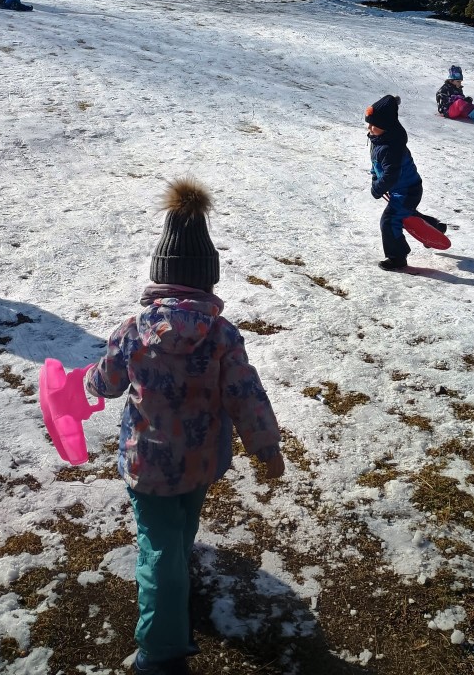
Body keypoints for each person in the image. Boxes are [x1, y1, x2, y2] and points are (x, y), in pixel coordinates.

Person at [85, 178, 284, 675]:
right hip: (200, 460)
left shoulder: (133, 331)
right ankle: (178, 568)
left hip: (148, 463)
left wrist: (88, 380)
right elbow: (245, 393)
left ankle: (160, 651)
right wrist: (266, 446)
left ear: (161, 275)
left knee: (156, 550)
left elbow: (107, 382)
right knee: (182, 523)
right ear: (207, 281)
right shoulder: (222, 335)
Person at [365, 94, 446, 271]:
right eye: (369, 124)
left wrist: (377, 189)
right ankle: (435, 227)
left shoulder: (391, 148)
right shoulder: (379, 140)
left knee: (389, 220)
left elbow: (391, 175)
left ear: (386, 126)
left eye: (374, 125)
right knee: (404, 214)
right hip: (400, 189)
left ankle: (397, 257)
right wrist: (375, 179)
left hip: (407, 190)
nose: (370, 128)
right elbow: (376, 165)